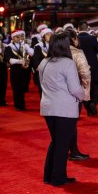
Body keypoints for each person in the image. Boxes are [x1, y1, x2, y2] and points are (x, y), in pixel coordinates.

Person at [39, 32, 85, 186]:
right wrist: (82, 95)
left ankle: (50, 175)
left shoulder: (44, 62)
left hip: (48, 107)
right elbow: (74, 88)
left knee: (56, 142)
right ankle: (58, 178)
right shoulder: (67, 63)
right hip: (64, 108)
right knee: (62, 144)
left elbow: (42, 84)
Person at [66, 29, 91, 160]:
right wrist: (85, 93)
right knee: (72, 123)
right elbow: (85, 73)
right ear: (74, 39)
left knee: (63, 124)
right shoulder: (77, 53)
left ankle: (64, 149)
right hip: (75, 91)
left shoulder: (57, 53)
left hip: (60, 93)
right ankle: (73, 151)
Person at [77, 21, 98, 115]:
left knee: (84, 88)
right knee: (95, 87)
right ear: (87, 28)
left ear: (78, 28)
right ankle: (93, 103)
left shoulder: (76, 39)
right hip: (93, 67)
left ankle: (88, 108)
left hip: (81, 66)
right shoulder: (92, 38)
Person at [4, 29, 28, 111]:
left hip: (23, 70)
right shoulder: (9, 47)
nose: (19, 38)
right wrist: (20, 61)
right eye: (17, 37)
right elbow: (9, 59)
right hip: (15, 71)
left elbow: (29, 54)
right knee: (16, 88)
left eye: (20, 36)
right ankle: (17, 105)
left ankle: (22, 104)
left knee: (22, 88)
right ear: (13, 38)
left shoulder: (23, 46)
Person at [32, 28, 53, 96]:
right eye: (47, 34)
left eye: (51, 34)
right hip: (43, 73)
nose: (50, 36)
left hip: (53, 73)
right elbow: (36, 61)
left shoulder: (55, 45)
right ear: (43, 37)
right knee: (43, 93)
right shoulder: (38, 46)